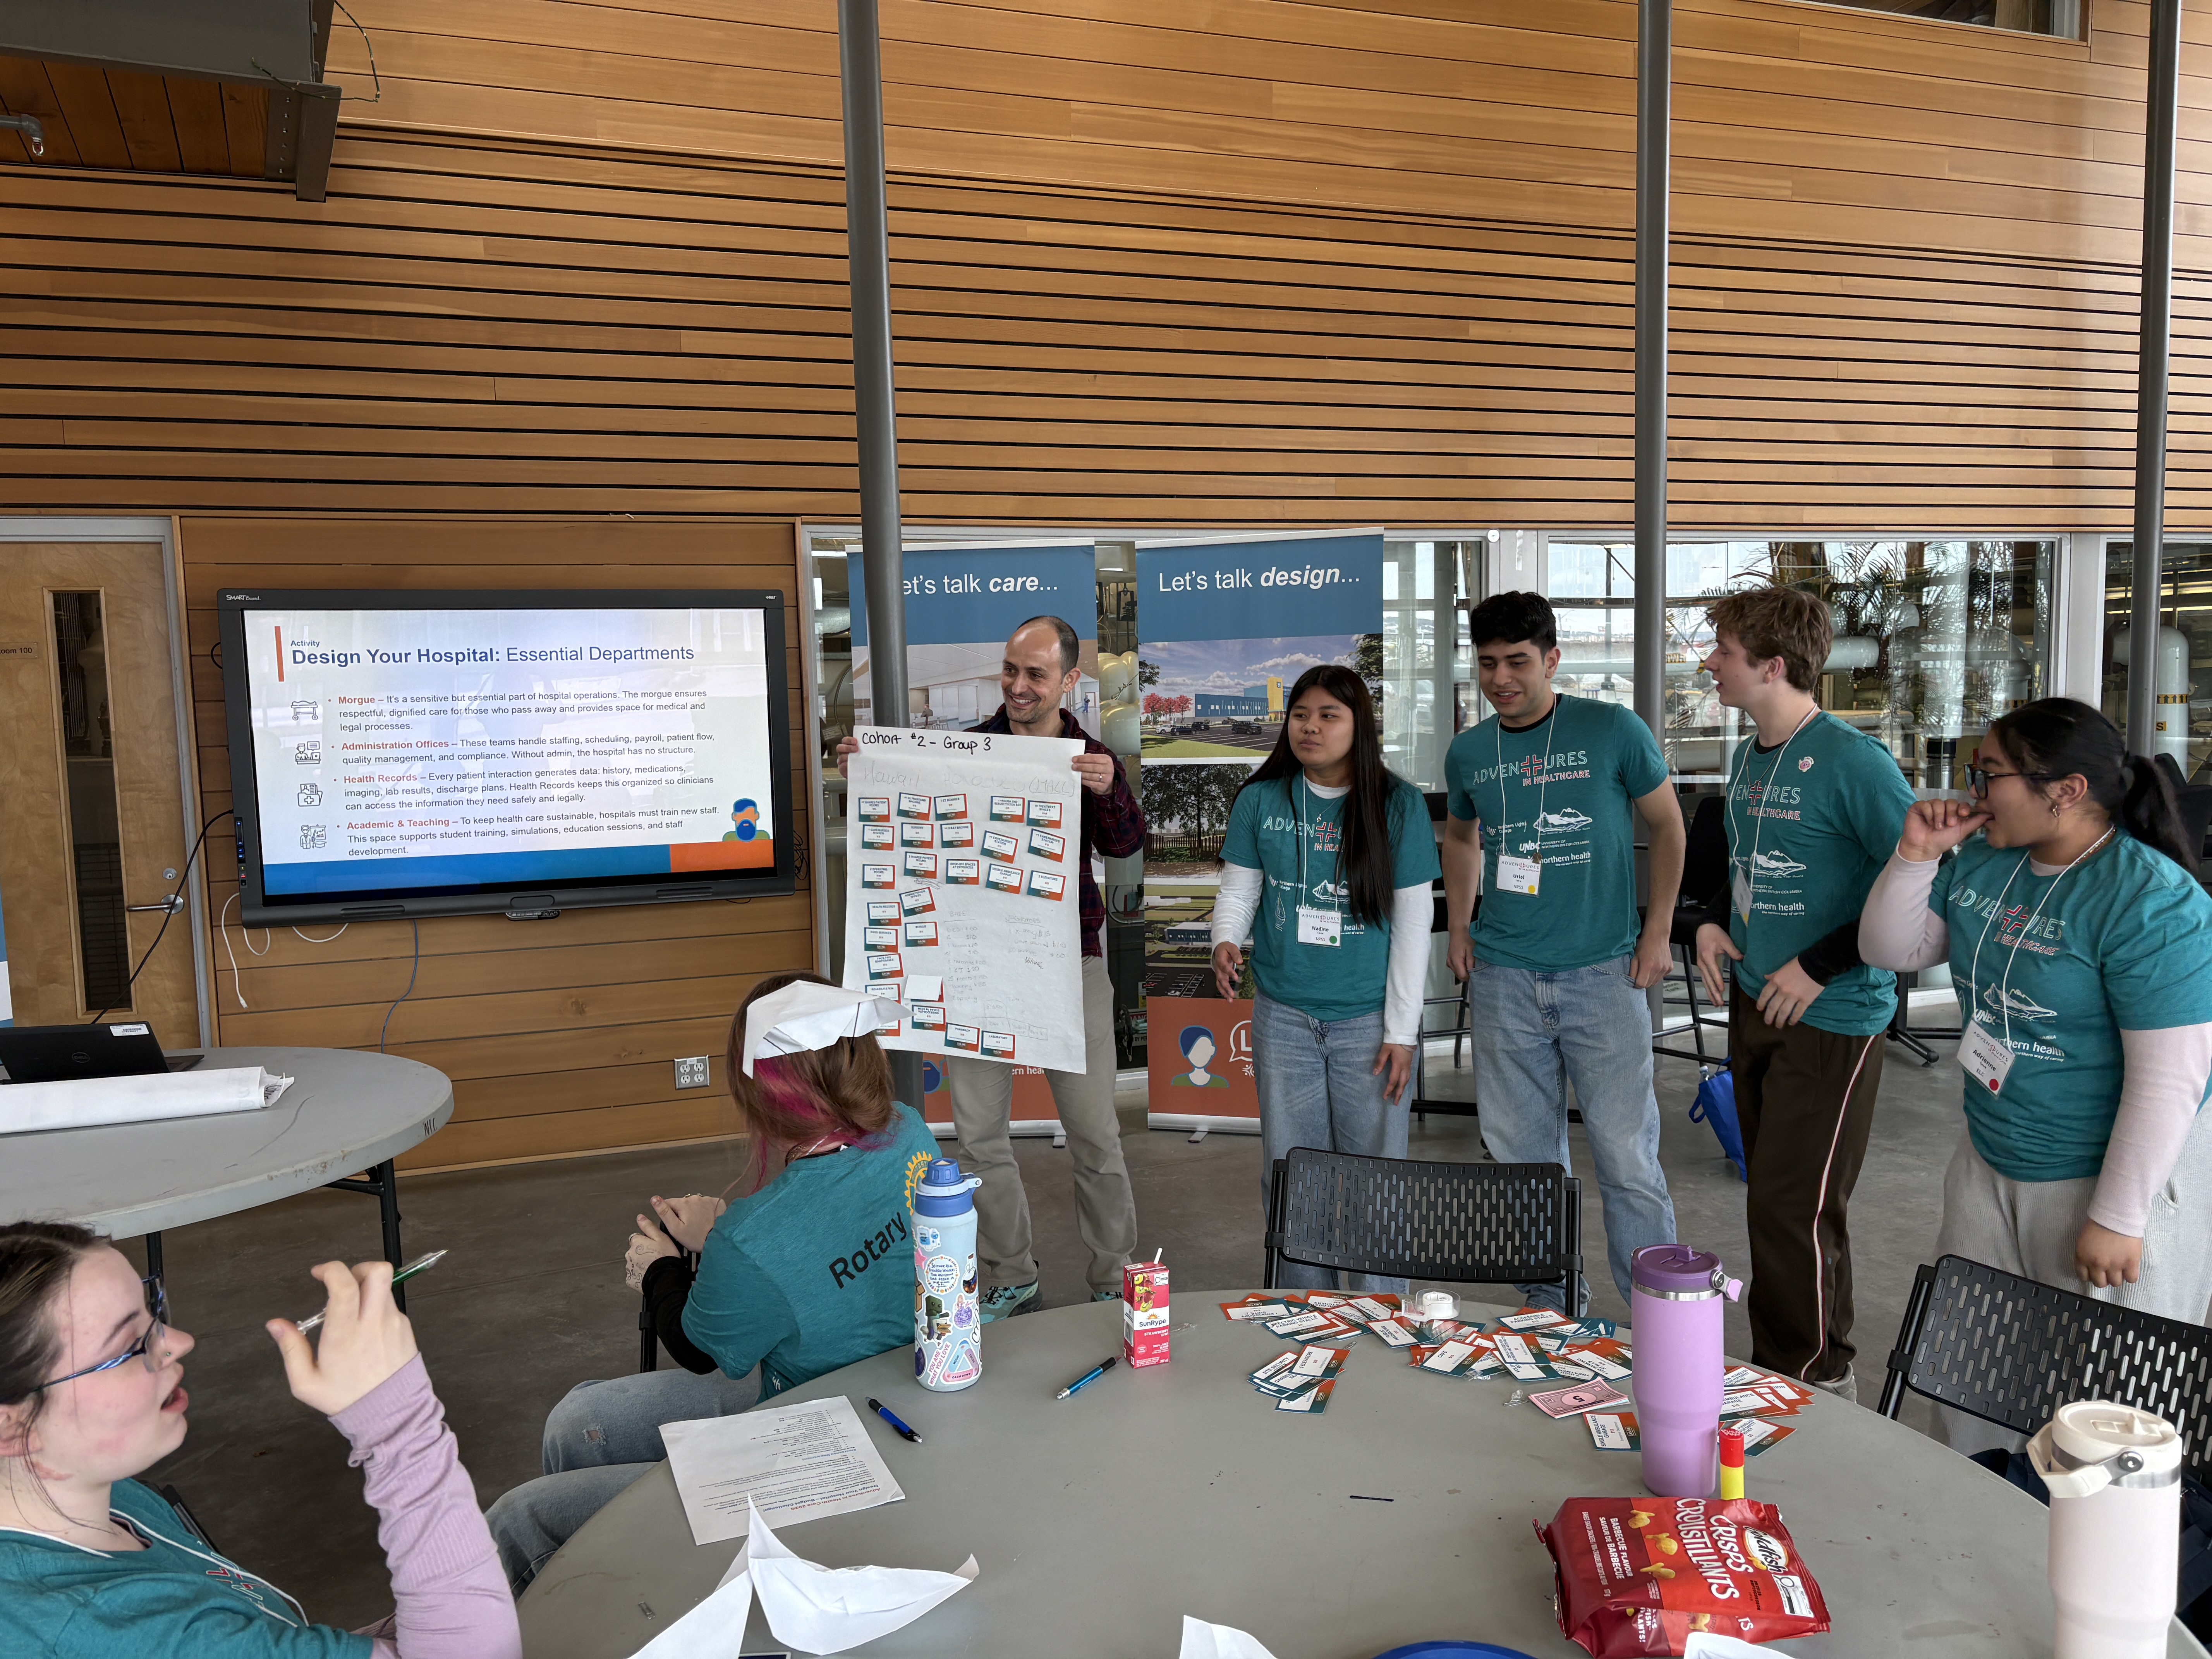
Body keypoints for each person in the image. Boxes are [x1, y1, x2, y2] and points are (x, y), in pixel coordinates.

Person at [486, 972, 937, 1592]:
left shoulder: (750, 1240)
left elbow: (699, 1352)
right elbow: (827, 1239)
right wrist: (725, 1232)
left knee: (515, 1522)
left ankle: (599, 1593)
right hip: (886, 1384)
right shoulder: (910, 1129)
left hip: (817, 1438)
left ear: (760, 1096)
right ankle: (603, 1589)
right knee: (578, 1419)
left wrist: (660, 1269)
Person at [1859, 700, 2212, 1446]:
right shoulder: (1990, 859)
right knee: (1972, 1370)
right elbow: (1892, 950)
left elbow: (2169, 1077)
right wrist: (1915, 854)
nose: (1974, 793)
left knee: (2108, 1411)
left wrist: (2119, 1216)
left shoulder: (2152, 900)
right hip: (1994, 1148)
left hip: (2106, 1171)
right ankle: (1983, 1496)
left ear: (2066, 791)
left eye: (1991, 774)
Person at [0, 1226, 519, 1657]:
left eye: (153, 1311)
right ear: (10, 1428)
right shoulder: (123, 1629)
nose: (180, 1343)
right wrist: (399, 1426)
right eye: (131, 1346)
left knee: (529, 1522)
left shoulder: (100, 1495)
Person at [838, 615, 1144, 1319]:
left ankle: (1114, 1276)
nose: (1018, 685)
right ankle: (1012, 1273)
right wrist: (870, 766)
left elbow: (1127, 843)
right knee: (978, 1139)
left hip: (1068, 969)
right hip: (975, 970)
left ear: (1070, 680)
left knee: (1096, 1136)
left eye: (1036, 673)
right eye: (1010, 670)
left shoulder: (1089, 758)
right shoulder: (968, 751)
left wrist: (1110, 790)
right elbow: (906, 805)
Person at [1691, 586, 1915, 1401]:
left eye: (1723, 652)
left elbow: (1917, 882)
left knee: (1797, 1208)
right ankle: (1786, 1369)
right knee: (1776, 1203)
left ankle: (1815, 1387)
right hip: (1758, 1001)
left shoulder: (1855, 763)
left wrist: (1820, 965)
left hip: (1831, 1013)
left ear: (1772, 666)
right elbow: (1753, 864)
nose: (1709, 664)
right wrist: (1714, 923)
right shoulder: (1751, 755)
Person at [1441, 591, 1684, 1312]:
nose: (1501, 679)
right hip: (1503, 977)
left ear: (1552, 659)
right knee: (1522, 1160)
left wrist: (1657, 930)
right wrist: (1460, 925)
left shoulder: (1613, 729)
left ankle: (1657, 1318)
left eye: (1517, 662)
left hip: (1604, 974)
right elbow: (1462, 838)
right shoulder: (1469, 752)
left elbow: (1669, 828)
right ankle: (1549, 1309)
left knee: (1626, 1156)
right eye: (1488, 663)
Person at [1209, 664, 1441, 1295]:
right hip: (1284, 1019)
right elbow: (1240, 891)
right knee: (1293, 1174)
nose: (1310, 727)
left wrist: (1402, 1033)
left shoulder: (1397, 805)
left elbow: (1414, 926)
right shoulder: (1262, 800)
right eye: (1301, 715)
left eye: (1328, 716)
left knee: (1375, 1179)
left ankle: (1378, 1310)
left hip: (1369, 1024)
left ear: (1358, 725)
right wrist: (1225, 939)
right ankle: (1303, 1306)